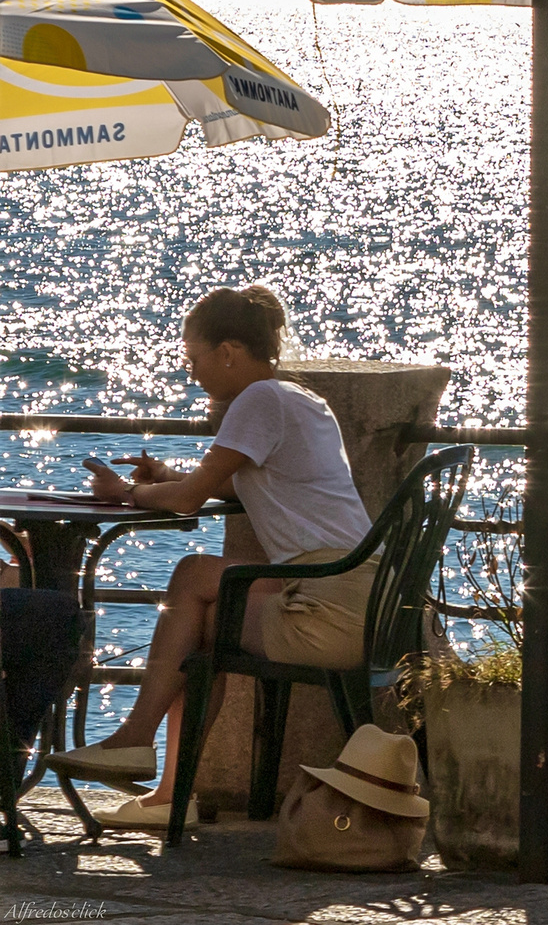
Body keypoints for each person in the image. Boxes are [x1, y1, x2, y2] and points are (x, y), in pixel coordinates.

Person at [44, 285, 374, 830]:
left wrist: (123, 494)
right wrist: (171, 478)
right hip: (366, 596)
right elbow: (241, 487)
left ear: (228, 350)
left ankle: (138, 745)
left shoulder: (257, 400)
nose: (190, 372)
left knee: (192, 576)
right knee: (198, 623)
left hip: (329, 609)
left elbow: (190, 501)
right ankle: (170, 793)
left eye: (193, 357)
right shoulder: (301, 399)